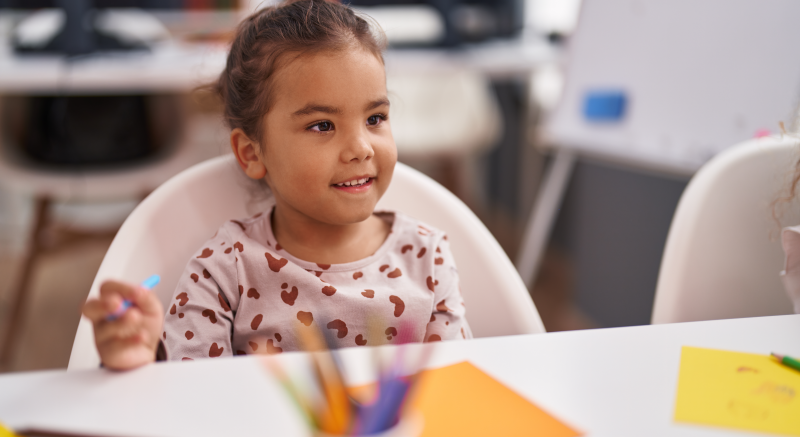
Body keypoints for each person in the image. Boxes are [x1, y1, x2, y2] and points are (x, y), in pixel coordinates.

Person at [81, 0, 471, 370]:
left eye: (375, 118)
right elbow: (190, 399)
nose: (361, 148)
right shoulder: (225, 268)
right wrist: (144, 361)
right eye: (322, 125)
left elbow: (454, 395)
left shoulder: (427, 256)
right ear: (252, 153)